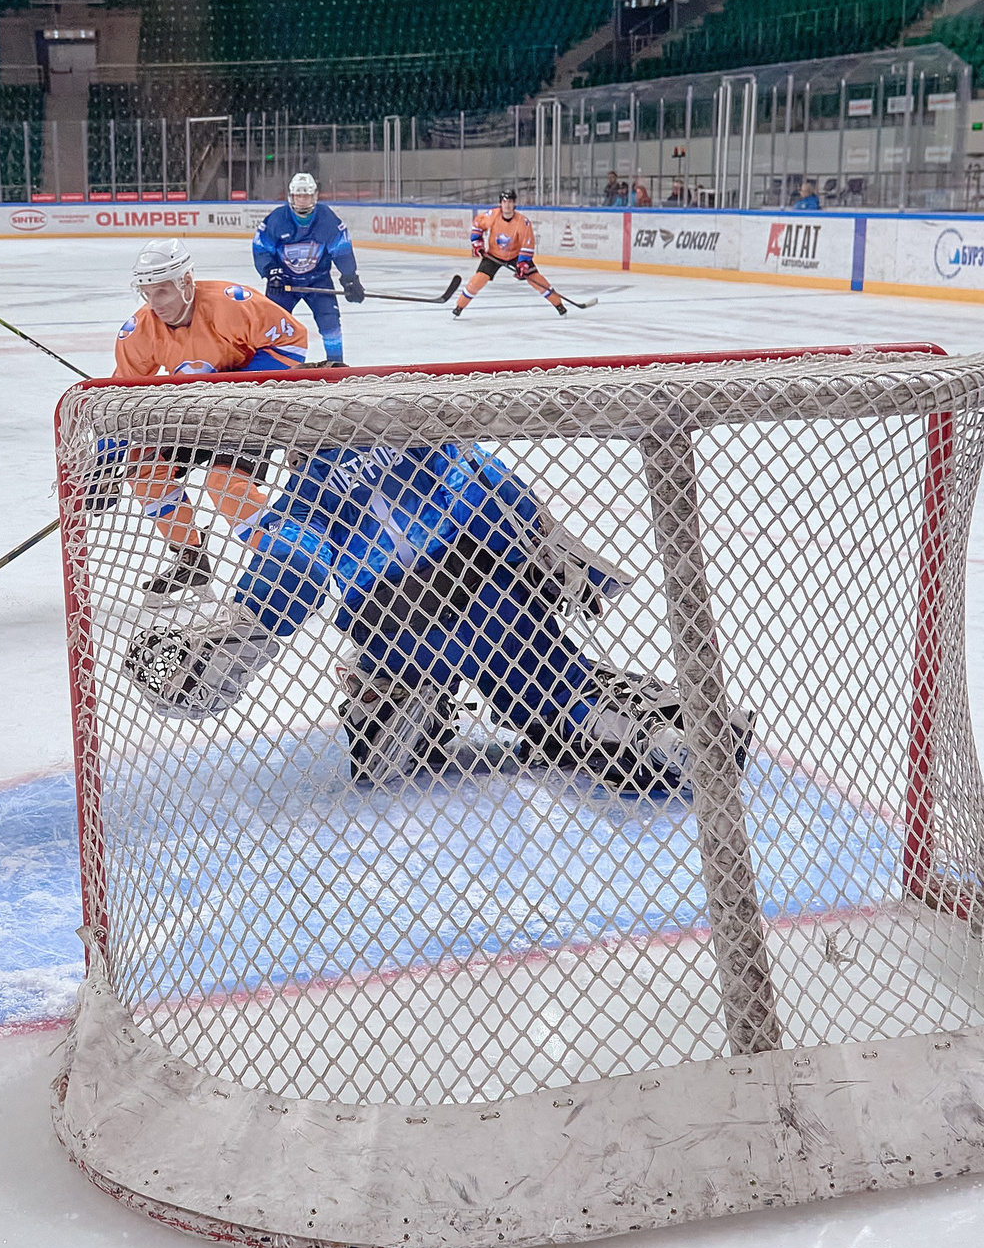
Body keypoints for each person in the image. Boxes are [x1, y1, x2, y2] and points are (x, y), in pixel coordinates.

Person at [116, 433, 732, 795]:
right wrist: (570, 568)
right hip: (492, 605)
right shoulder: (429, 440)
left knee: (378, 765)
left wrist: (228, 651)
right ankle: (637, 729)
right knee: (552, 688)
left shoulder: (309, 486)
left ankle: (400, 698)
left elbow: (292, 569)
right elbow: (504, 501)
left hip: (397, 630)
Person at [109, 238, 309, 597]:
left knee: (223, 482)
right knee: (142, 469)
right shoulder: (139, 331)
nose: (155, 304)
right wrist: (108, 461)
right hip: (195, 416)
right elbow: (126, 400)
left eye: (163, 292)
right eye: (147, 293)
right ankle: (190, 561)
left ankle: (284, 564)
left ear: (186, 281)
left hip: (245, 413)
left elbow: (293, 342)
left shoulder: (231, 304)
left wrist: (237, 386)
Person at [252, 172, 364, 365]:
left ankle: (336, 365)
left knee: (330, 324)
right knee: (271, 325)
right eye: (298, 196)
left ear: (315, 196)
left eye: (306, 196)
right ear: (291, 196)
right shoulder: (277, 219)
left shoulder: (327, 219)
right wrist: (271, 272)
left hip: (318, 279)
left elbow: (342, 249)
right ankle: (270, 365)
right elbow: (261, 248)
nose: (302, 201)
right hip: (284, 282)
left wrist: (350, 277)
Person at [451, 188, 568, 318]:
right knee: (479, 279)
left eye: (510, 201)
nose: (507, 205)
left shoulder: (523, 222)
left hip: (517, 256)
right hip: (494, 254)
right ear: (501, 203)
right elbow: (478, 225)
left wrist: (523, 264)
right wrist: (477, 243)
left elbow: (527, 244)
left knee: (536, 280)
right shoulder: (492, 215)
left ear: (514, 204)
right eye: (505, 201)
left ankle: (558, 305)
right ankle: (459, 306)